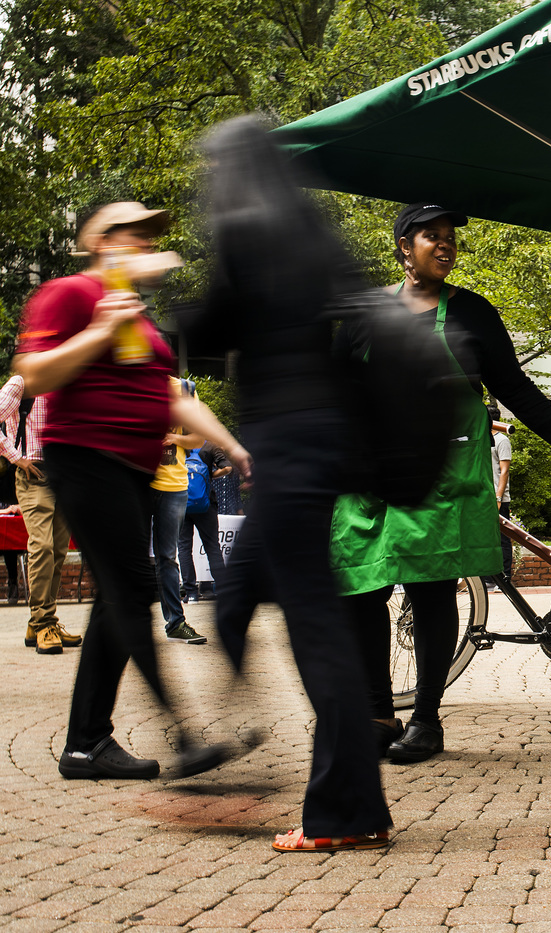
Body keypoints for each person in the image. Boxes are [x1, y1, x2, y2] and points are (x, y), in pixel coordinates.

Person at [333, 203, 551, 765]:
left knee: (430, 587)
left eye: (450, 239)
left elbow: (511, 384)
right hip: (367, 473)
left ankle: (425, 719)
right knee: (360, 588)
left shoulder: (471, 313)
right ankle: (375, 711)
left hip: (440, 473)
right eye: (430, 236)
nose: (445, 245)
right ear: (403, 245)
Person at [186, 117, 393, 852]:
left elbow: (211, 326)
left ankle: (343, 812)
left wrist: (170, 307)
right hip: (320, 437)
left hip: (283, 437)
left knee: (317, 626)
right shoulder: (310, 223)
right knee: (250, 589)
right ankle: (223, 729)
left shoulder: (244, 226)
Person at [14, 200, 245, 781]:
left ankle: (86, 744)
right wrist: (98, 330)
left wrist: (233, 447)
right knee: (133, 588)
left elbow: (168, 396)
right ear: (100, 240)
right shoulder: (68, 294)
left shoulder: (136, 314)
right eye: (133, 232)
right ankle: (185, 737)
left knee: (118, 599)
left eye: (149, 234)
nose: (145, 241)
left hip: (134, 468)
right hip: (84, 458)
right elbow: (34, 374)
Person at [0, 374, 79, 653]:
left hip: (65, 476)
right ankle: (43, 622)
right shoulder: (23, 383)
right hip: (34, 474)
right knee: (42, 546)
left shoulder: (65, 382)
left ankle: (42, 622)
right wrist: (15, 457)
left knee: (58, 551)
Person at [151, 379, 207, 644]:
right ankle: (124, 624)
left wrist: (174, 437)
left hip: (174, 485)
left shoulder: (185, 389)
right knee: (129, 558)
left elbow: (199, 437)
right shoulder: (133, 381)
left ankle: (175, 622)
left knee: (168, 557)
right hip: (138, 482)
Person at [178, 438, 232, 603]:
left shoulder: (178, 445)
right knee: (212, 547)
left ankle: (191, 593)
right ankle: (224, 591)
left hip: (181, 503)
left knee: (184, 548)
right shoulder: (210, 446)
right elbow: (227, 467)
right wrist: (210, 476)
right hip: (206, 504)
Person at [487, 403, 513, 587]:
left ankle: (505, 578)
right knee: (486, 538)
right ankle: (489, 578)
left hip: (499, 498)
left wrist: (498, 496)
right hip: (484, 497)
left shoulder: (502, 440)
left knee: (503, 539)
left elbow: (504, 471)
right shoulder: (482, 438)